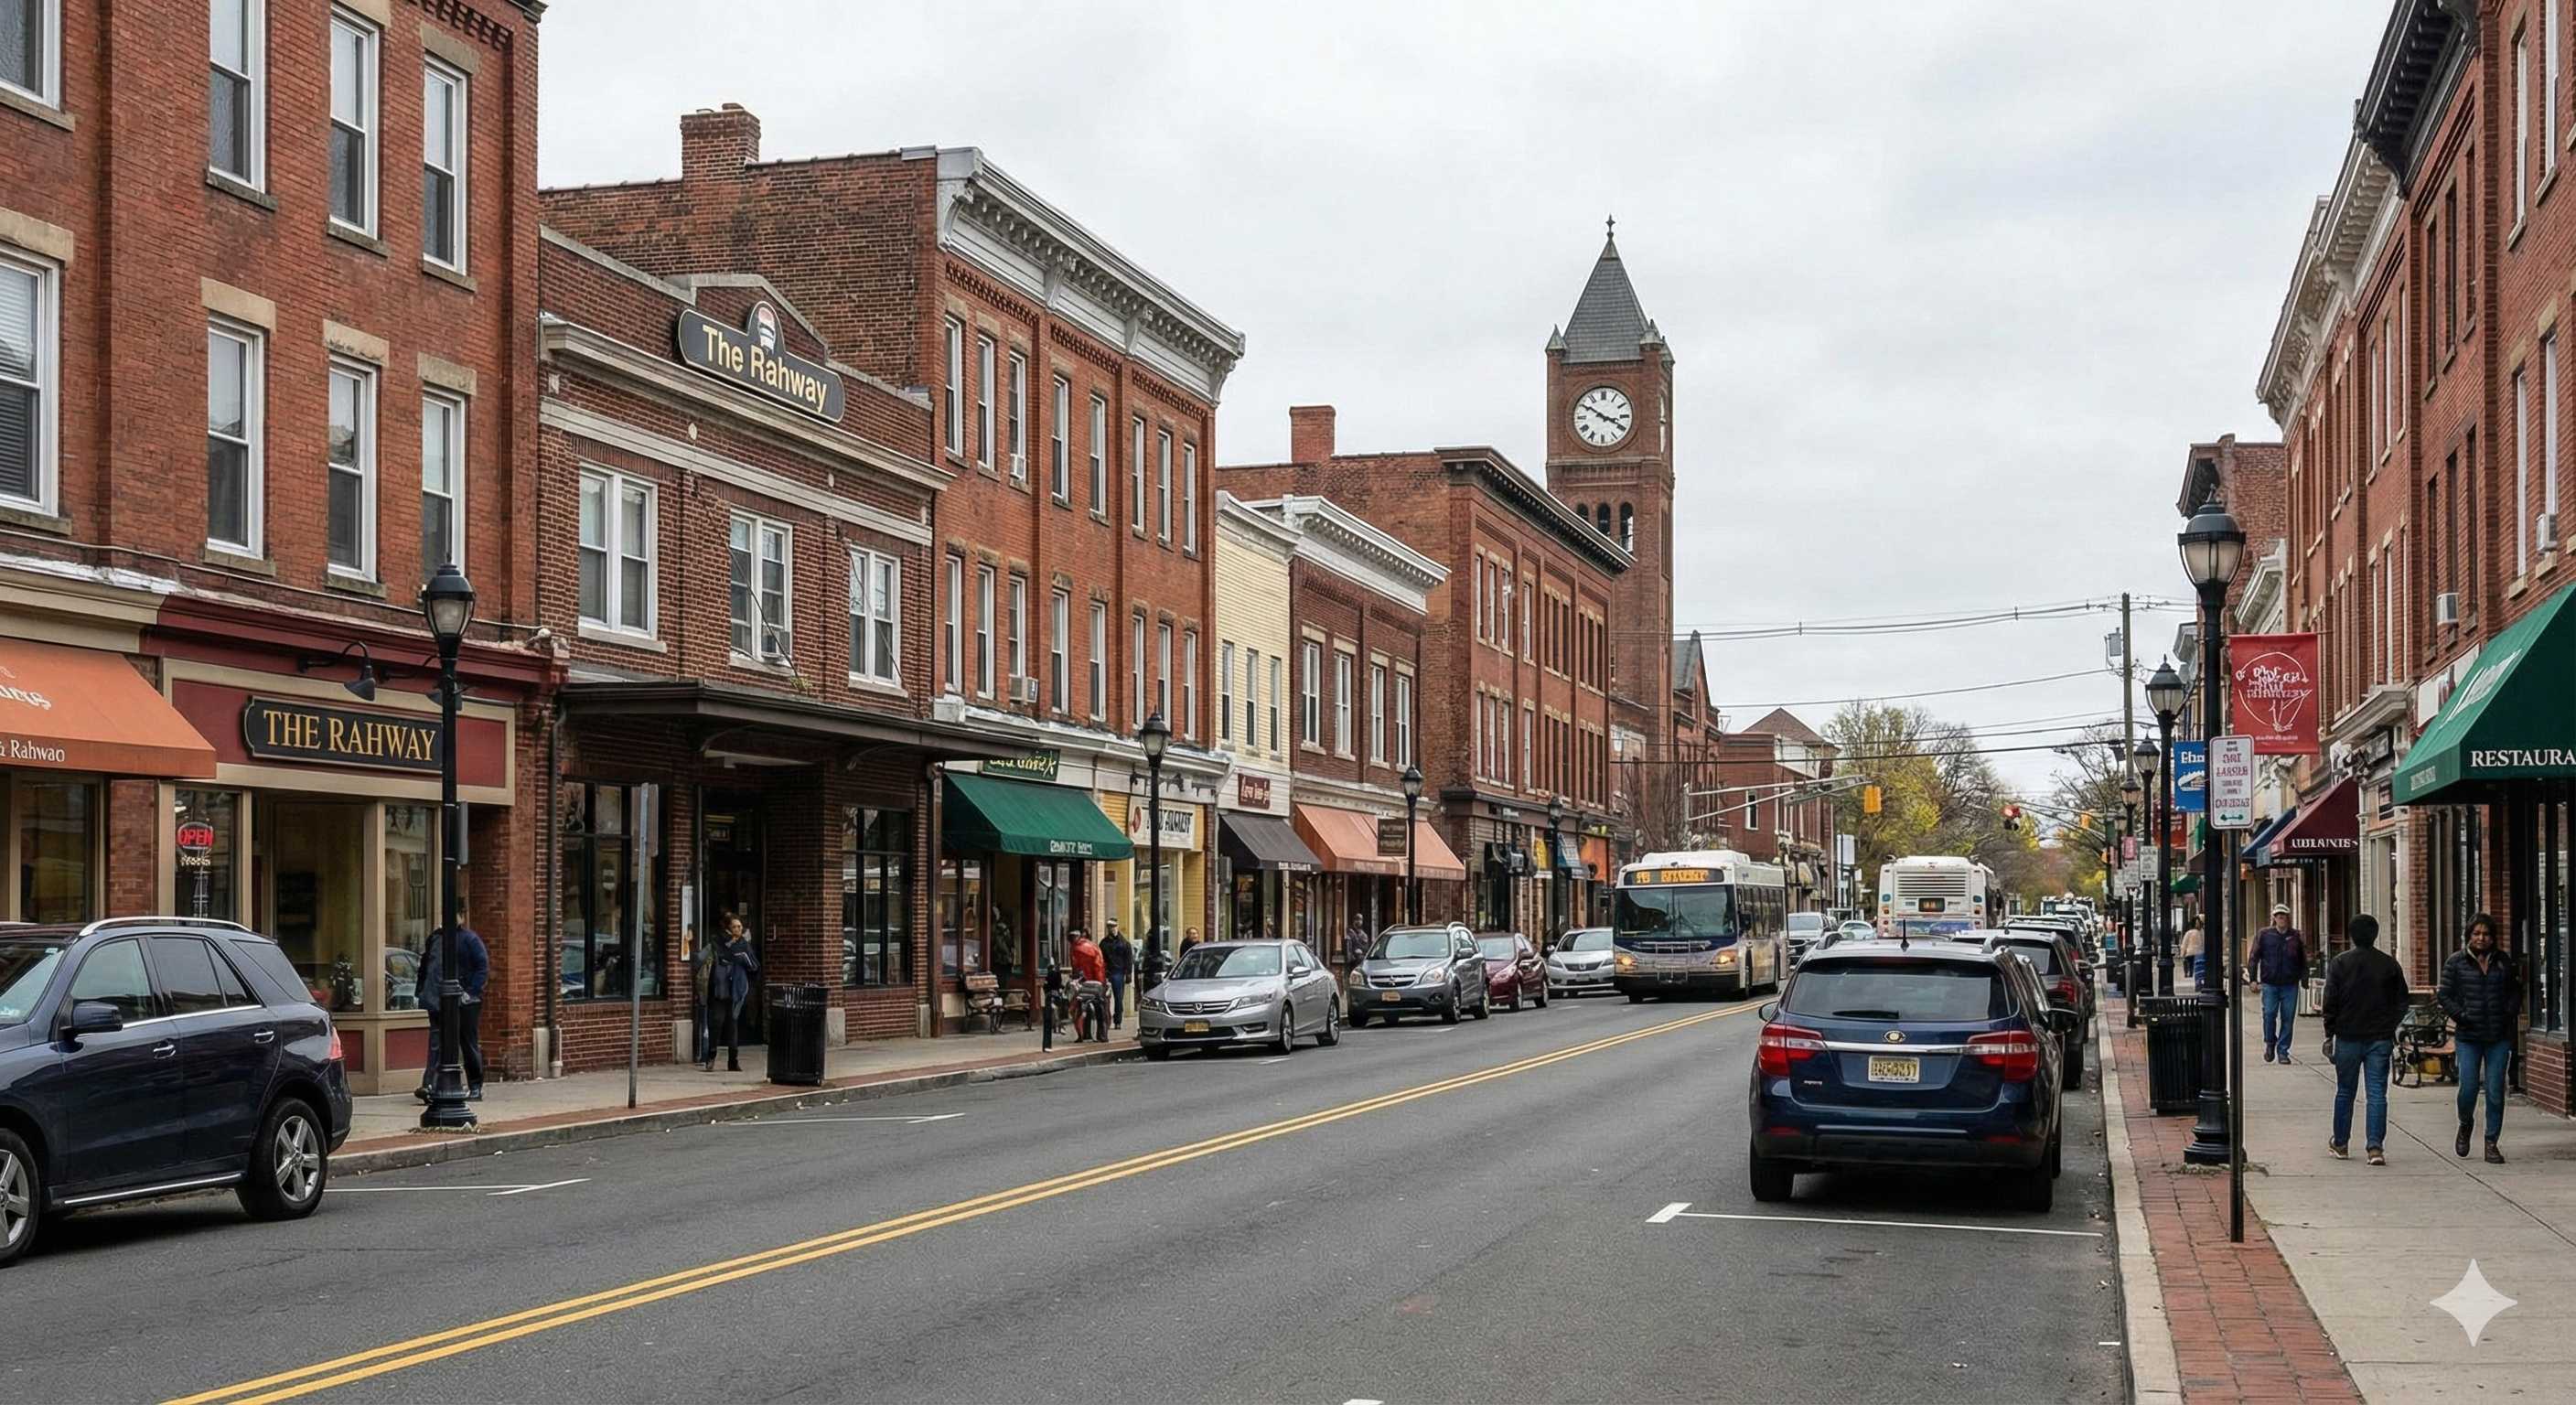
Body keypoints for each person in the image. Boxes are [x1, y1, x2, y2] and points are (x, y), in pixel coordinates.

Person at [2321, 913, 2409, 1164]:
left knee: (2345, 1091)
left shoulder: (2339, 964)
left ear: (2351, 935)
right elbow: (2402, 1000)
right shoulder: (2389, 964)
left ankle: (2340, 1143)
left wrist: (2330, 1033)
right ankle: (2375, 1147)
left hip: (2347, 1036)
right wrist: (2390, 1024)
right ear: (2375, 935)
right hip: (2379, 1037)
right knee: (2377, 1093)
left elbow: (2330, 1001)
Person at [2440, 914, 2521, 1164]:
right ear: (2469, 936)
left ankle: (2491, 1142)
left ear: (2493, 937)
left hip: (2498, 1036)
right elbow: (2444, 995)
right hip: (2469, 1036)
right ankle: (2465, 1124)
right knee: (2468, 1088)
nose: (2481, 938)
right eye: (2476, 934)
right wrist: (2461, 1015)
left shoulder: (2503, 962)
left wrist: (2509, 1012)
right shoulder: (2456, 962)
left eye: (2486, 934)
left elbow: (2516, 991)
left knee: (2496, 1090)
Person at [2247, 904, 2309, 1064]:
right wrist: (2253, 979)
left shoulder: (2295, 936)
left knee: (2288, 1018)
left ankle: (2283, 1051)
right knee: (2269, 1015)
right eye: (2278, 915)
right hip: (2270, 983)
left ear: (2288, 918)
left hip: (2290, 984)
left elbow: (2303, 959)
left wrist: (2305, 978)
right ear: (2274, 918)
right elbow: (2254, 957)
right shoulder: (2264, 935)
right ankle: (2270, 1042)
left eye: (2284, 915)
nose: (2281, 918)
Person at [703, 913, 759, 1073]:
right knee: (717, 1022)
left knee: (733, 1025)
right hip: (720, 989)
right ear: (728, 928)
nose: (738, 929)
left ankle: (733, 1061)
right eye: (735, 926)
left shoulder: (744, 945)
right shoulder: (719, 941)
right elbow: (720, 956)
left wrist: (741, 957)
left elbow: (754, 965)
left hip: (736, 990)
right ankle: (711, 1057)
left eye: (740, 927)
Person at [1068, 927, 1108, 1041]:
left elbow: (1076, 967)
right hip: (1097, 980)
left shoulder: (1077, 949)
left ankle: (1084, 1034)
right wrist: (1101, 982)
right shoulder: (1092, 946)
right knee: (1099, 1007)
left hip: (1086, 981)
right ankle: (1102, 1035)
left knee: (1082, 1007)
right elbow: (1099, 965)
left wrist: (1077, 978)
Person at [1100, 921, 1135, 1028]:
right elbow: (1101, 959)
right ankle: (1106, 1019)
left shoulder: (1124, 943)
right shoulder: (1104, 943)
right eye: (1110, 927)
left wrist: (1128, 973)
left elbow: (1129, 959)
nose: (1112, 929)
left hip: (1118, 972)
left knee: (1118, 997)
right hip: (1107, 972)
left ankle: (1117, 1020)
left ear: (1117, 927)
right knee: (1105, 998)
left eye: (1114, 927)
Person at [2178, 920, 2204, 984]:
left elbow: (2184, 944)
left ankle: (2189, 974)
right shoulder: (2201, 933)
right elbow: (2203, 943)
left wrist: (2182, 954)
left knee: (2189, 963)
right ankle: (2193, 975)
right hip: (2199, 953)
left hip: (2190, 952)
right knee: (2195, 966)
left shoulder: (2188, 933)